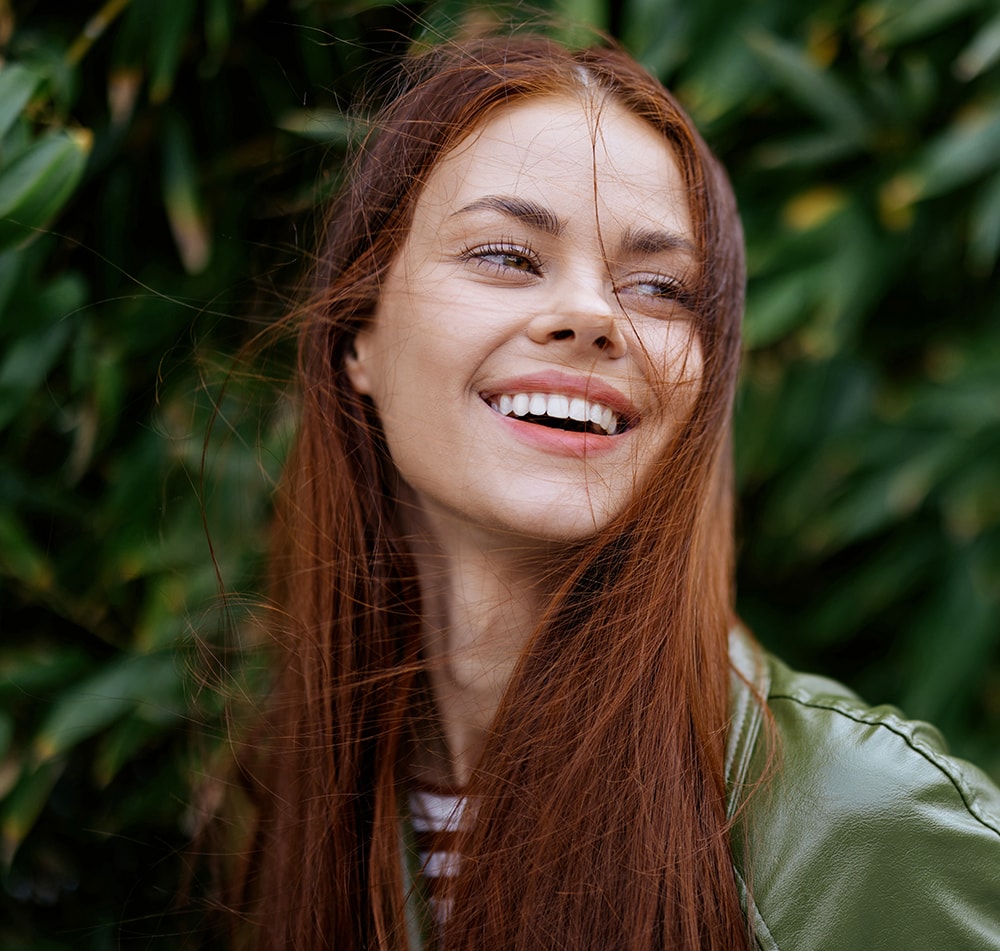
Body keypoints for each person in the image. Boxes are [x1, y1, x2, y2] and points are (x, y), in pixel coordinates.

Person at [208, 33, 1000, 950]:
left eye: (662, 288)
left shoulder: (861, 825)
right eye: (506, 255)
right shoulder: (299, 787)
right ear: (360, 336)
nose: (592, 315)